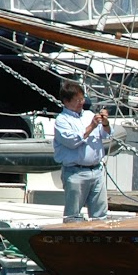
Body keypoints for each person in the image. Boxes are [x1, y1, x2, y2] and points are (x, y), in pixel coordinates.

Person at [52, 79, 112, 221]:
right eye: (77, 100)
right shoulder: (62, 120)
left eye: (82, 99)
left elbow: (107, 134)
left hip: (96, 171)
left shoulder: (89, 115)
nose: (81, 102)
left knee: (101, 215)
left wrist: (105, 123)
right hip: (75, 172)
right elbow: (72, 141)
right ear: (66, 101)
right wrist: (91, 126)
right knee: (73, 215)